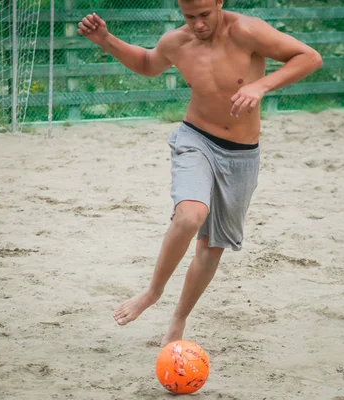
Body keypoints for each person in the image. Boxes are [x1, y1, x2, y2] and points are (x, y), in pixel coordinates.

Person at [77, 0, 322, 346]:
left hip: (242, 155)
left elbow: (310, 57)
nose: (198, 24)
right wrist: (106, 40)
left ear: (219, 2)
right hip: (196, 138)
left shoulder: (246, 31)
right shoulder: (177, 41)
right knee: (190, 215)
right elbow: (148, 63)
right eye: (189, 17)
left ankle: (179, 319)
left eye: (204, 15)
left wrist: (260, 85)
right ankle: (152, 291)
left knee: (211, 247)